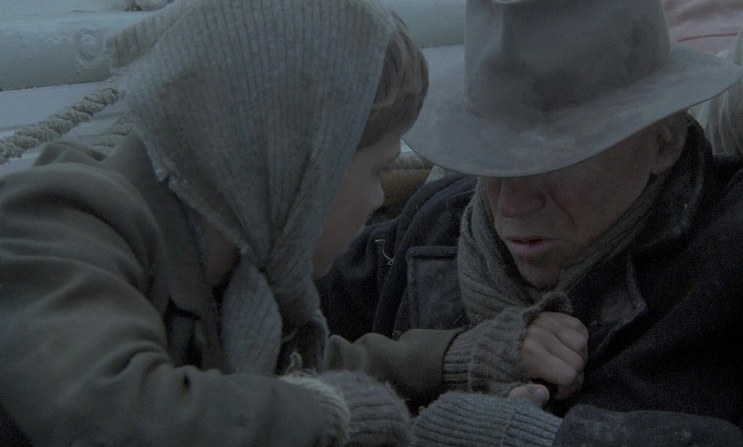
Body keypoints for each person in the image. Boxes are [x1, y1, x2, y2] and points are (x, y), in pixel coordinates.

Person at [317, 0, 743, 445]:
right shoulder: (427, 230)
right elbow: (282, 371)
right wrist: (439, 364)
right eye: (492, 157)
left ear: (663, 141)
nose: (512, 203)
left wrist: (553, 439)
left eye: (555, 159)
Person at [0, 0, 428, 445]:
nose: (379, 199)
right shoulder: (53, 221)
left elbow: (291, 370)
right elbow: (108, 414)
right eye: (378, 170)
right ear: (302, 162)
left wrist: (448, 359)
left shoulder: (230, 278)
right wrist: (327, 414)